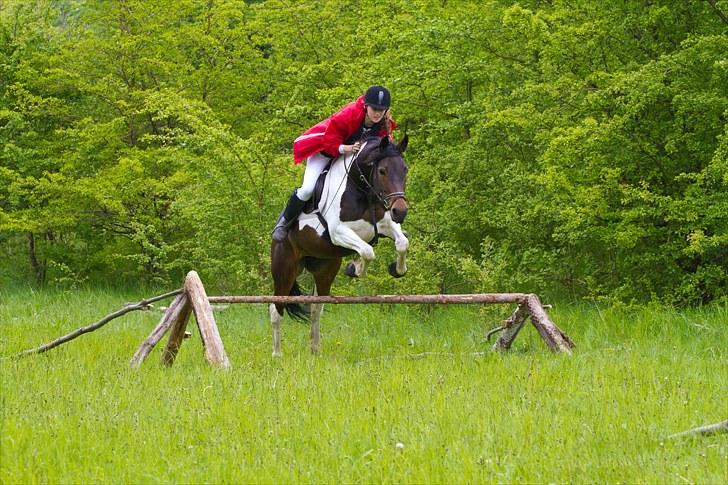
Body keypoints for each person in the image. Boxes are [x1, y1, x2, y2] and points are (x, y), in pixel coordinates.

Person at [272, 85, 397, 242]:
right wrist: (347, 148)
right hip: (327, 152)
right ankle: (284, 222)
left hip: (352, 158)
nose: (378, 113)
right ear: (365, 105)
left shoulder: (384, 123)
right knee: (307, 189)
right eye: (374, 108)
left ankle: (381, 224)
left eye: (382, 109)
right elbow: (329, 142)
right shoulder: (349, 114)